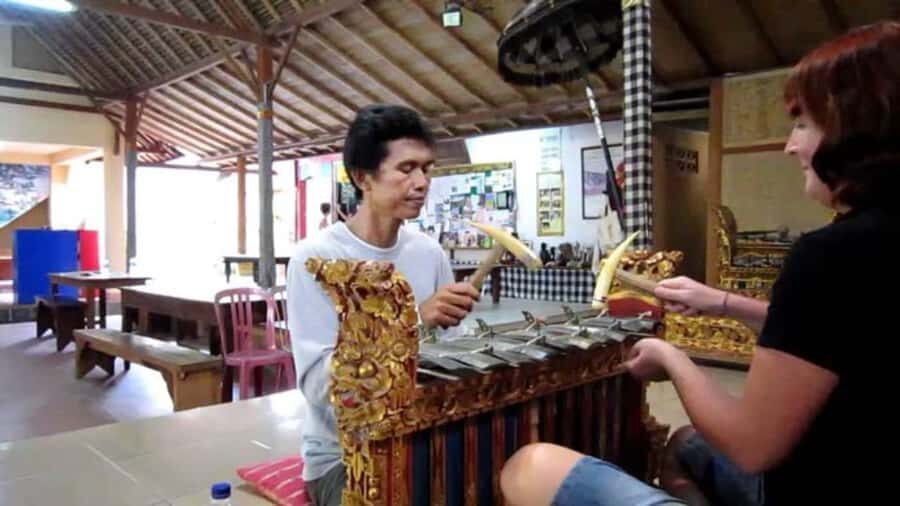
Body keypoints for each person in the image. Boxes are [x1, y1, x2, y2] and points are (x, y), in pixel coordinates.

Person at [499, 21, 900, 506]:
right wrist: (723, 302)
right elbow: (840, 336)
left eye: (803, 124)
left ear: (854, 130)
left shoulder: (832, 254)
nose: (790, 145)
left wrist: (672, 356)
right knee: (686, 442)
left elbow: (752, 446)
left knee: (529, 467)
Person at [287, 104, 481, 506]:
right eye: (406, 168)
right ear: (363, 178)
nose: (421, 181)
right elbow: (318, 387)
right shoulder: (316, 258)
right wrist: (411, 320)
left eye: (426, 169)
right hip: (346, 456)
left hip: (424, 432)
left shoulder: (429, 253)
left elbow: (456, 355)